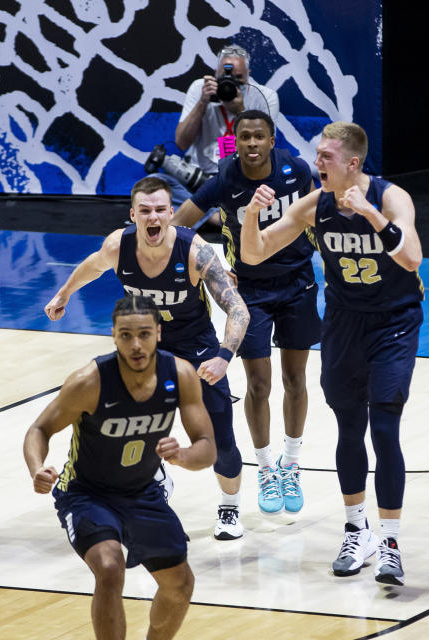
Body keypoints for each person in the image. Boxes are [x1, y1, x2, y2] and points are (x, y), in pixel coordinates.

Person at [240, 121, 423, 585]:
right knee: (348, 427)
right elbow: (256, 254)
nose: (316, 162)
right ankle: (355, 529)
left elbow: (412, 258)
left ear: (352, 164)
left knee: (384, 426)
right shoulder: (315, 204)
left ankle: (391, 543)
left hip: (393, 322)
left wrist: (372, 216)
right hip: (344, 323)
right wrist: (248, 218)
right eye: (318, 155)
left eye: (325, 156)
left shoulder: (390, 197)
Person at [44, 176, 250, 540]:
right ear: (133, 215)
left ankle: (230, 507)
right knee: (118, 422)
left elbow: (238, 310)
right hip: (144, 351)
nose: (152, 218)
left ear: (171, 213)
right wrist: (62, 295)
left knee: (221, 443)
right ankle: (150, 477)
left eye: (159, 210)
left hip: (195, 349)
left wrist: (223, 357)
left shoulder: (195, 251)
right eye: (145, 211)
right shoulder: (118, 246)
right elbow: (91, 266)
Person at [24, 295, 217, 640]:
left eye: (144, 334)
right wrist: (37, 468)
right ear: (114, 335)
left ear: (159, 333)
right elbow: (39, 429)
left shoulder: (181, 375)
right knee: (110, 569)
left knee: (180, 584)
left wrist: (182, 456)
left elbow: (207, 449)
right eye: (126, 336)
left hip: (142, 491)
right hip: (86, 494)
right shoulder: (90, 382)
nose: (136, 345)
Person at [172, 110, 319, 515]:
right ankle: (267, 468)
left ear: (272, 141)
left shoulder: (297, 171)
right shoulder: (225, 180)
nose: (252, 144)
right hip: (250, 291)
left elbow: (316, 216)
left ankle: (292, 463)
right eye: (245, 137)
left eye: (259, 137)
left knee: (295, 378)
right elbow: (181, 226)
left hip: (298, 283)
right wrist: (210, 266)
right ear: (236, 141)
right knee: (258, 384)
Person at [161, 44, 279, 228]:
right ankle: (215, 218)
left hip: (241, 178)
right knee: (156, 183)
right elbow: (181, 143)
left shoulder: (264, 96)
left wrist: (240, 111)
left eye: (239, 78)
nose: (231, 83)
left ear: (249, 74)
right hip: (200, 178)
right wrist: (202, 102)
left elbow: (267, 150)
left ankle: (197, 214)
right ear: (216, 73)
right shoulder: (200, 88)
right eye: (226, 77)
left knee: (271, 192)